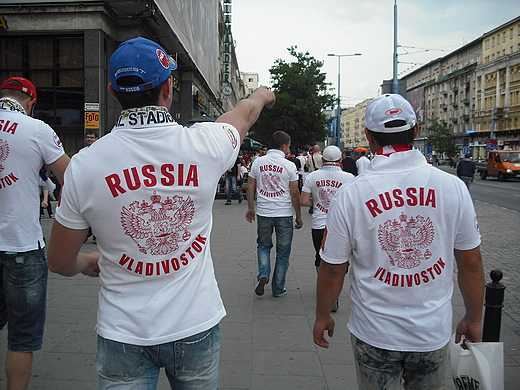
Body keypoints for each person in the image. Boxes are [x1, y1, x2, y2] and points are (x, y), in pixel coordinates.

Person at [46, 37, 275, 389]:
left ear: (112, 92)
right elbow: (242, 115)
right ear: (168, 88)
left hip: (123, 331)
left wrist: (88, 261)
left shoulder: (85, 165)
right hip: (194, 323)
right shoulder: (205, 144)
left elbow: (59, 261)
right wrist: (260, 94)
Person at [313, 94, 485, 389]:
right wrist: (473, 317)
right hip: (431, 332)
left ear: (369, 136)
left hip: (375, 332)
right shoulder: (452, 188)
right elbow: (470, 264)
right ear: (416, 130)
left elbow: (332, 269)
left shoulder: (352, 194)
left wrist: (322, 315)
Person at [0, 76, 70, 390]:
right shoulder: (36, 128)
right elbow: (71, 178)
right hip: (21, 246)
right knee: (22, 338)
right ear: (31, 102)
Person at [246, 131, 303, 297]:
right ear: (284, 146)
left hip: (264, 212)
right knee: (283, 252)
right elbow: (294, 193)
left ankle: (263, 273)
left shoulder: (258, 162)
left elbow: (250, 187)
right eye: (289, 146)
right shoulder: (289, 165)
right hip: (284, 214)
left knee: (263, 246)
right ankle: (278, 289)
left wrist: (251, 207)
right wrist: (298, 215)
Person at [300, 145, 354, 311]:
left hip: (319, 223)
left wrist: (317, 203)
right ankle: (335, 293)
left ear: (322, 160)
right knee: (341, 258)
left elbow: (303, 201)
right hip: (341, 225)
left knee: (320, 257)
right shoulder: (349, 177)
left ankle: (325, 288)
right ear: (340, 159)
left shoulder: (313, 176)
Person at [79, 130, 99, 243]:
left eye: (92, 137)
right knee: (86, 211)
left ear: (96, 139)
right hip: (87, 184)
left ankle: (96, 235)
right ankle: (86, 233)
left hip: (98, 183)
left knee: (97, 212)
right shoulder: (82, 152)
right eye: (88, 137)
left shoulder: (101, 151)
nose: (89, 139)